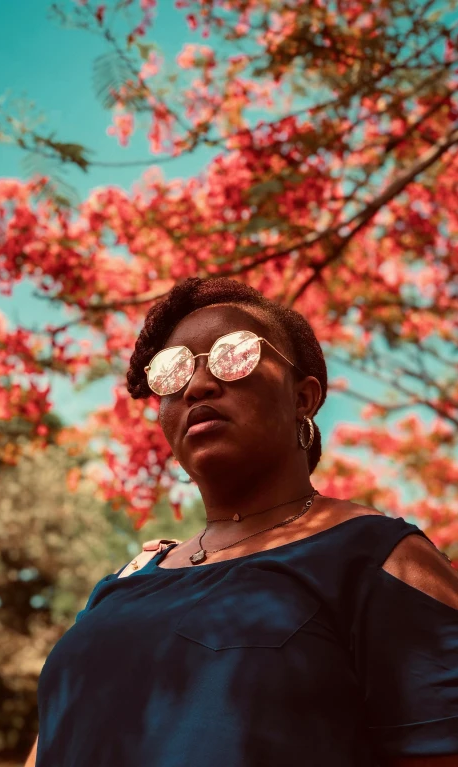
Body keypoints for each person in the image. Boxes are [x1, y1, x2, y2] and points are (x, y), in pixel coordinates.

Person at [27, 277, 458, 767]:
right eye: (173, 372)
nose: (198, 385)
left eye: (235, 355)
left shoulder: (379, 560)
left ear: (303, 398)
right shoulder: (121, 584)